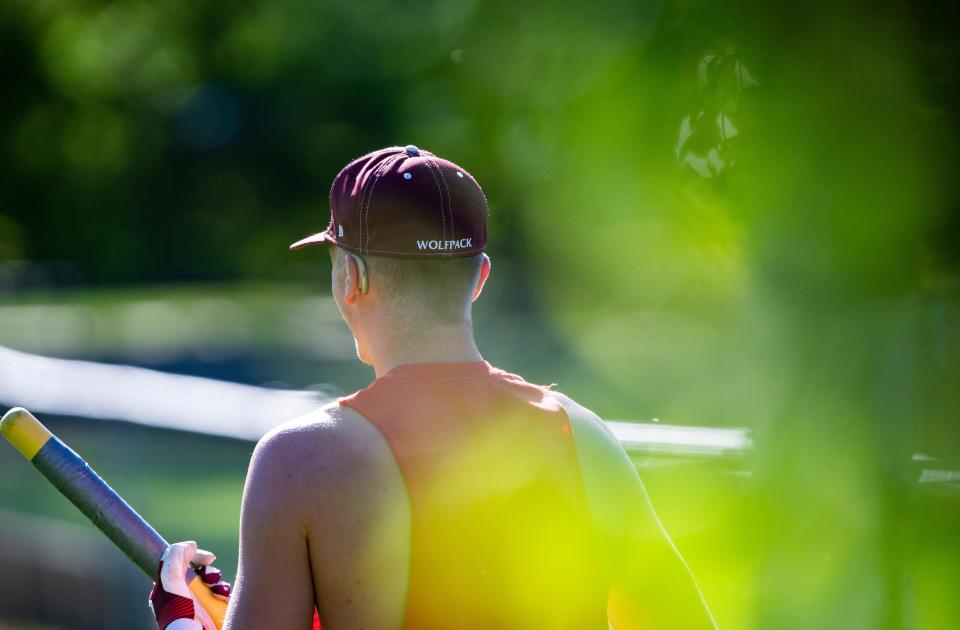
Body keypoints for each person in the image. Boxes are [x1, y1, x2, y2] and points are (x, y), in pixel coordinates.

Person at [148, 146, 717, 629]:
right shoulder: (586, 438)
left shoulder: (298, 460)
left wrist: (182, 620)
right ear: (480, 278)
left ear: (352, 278)